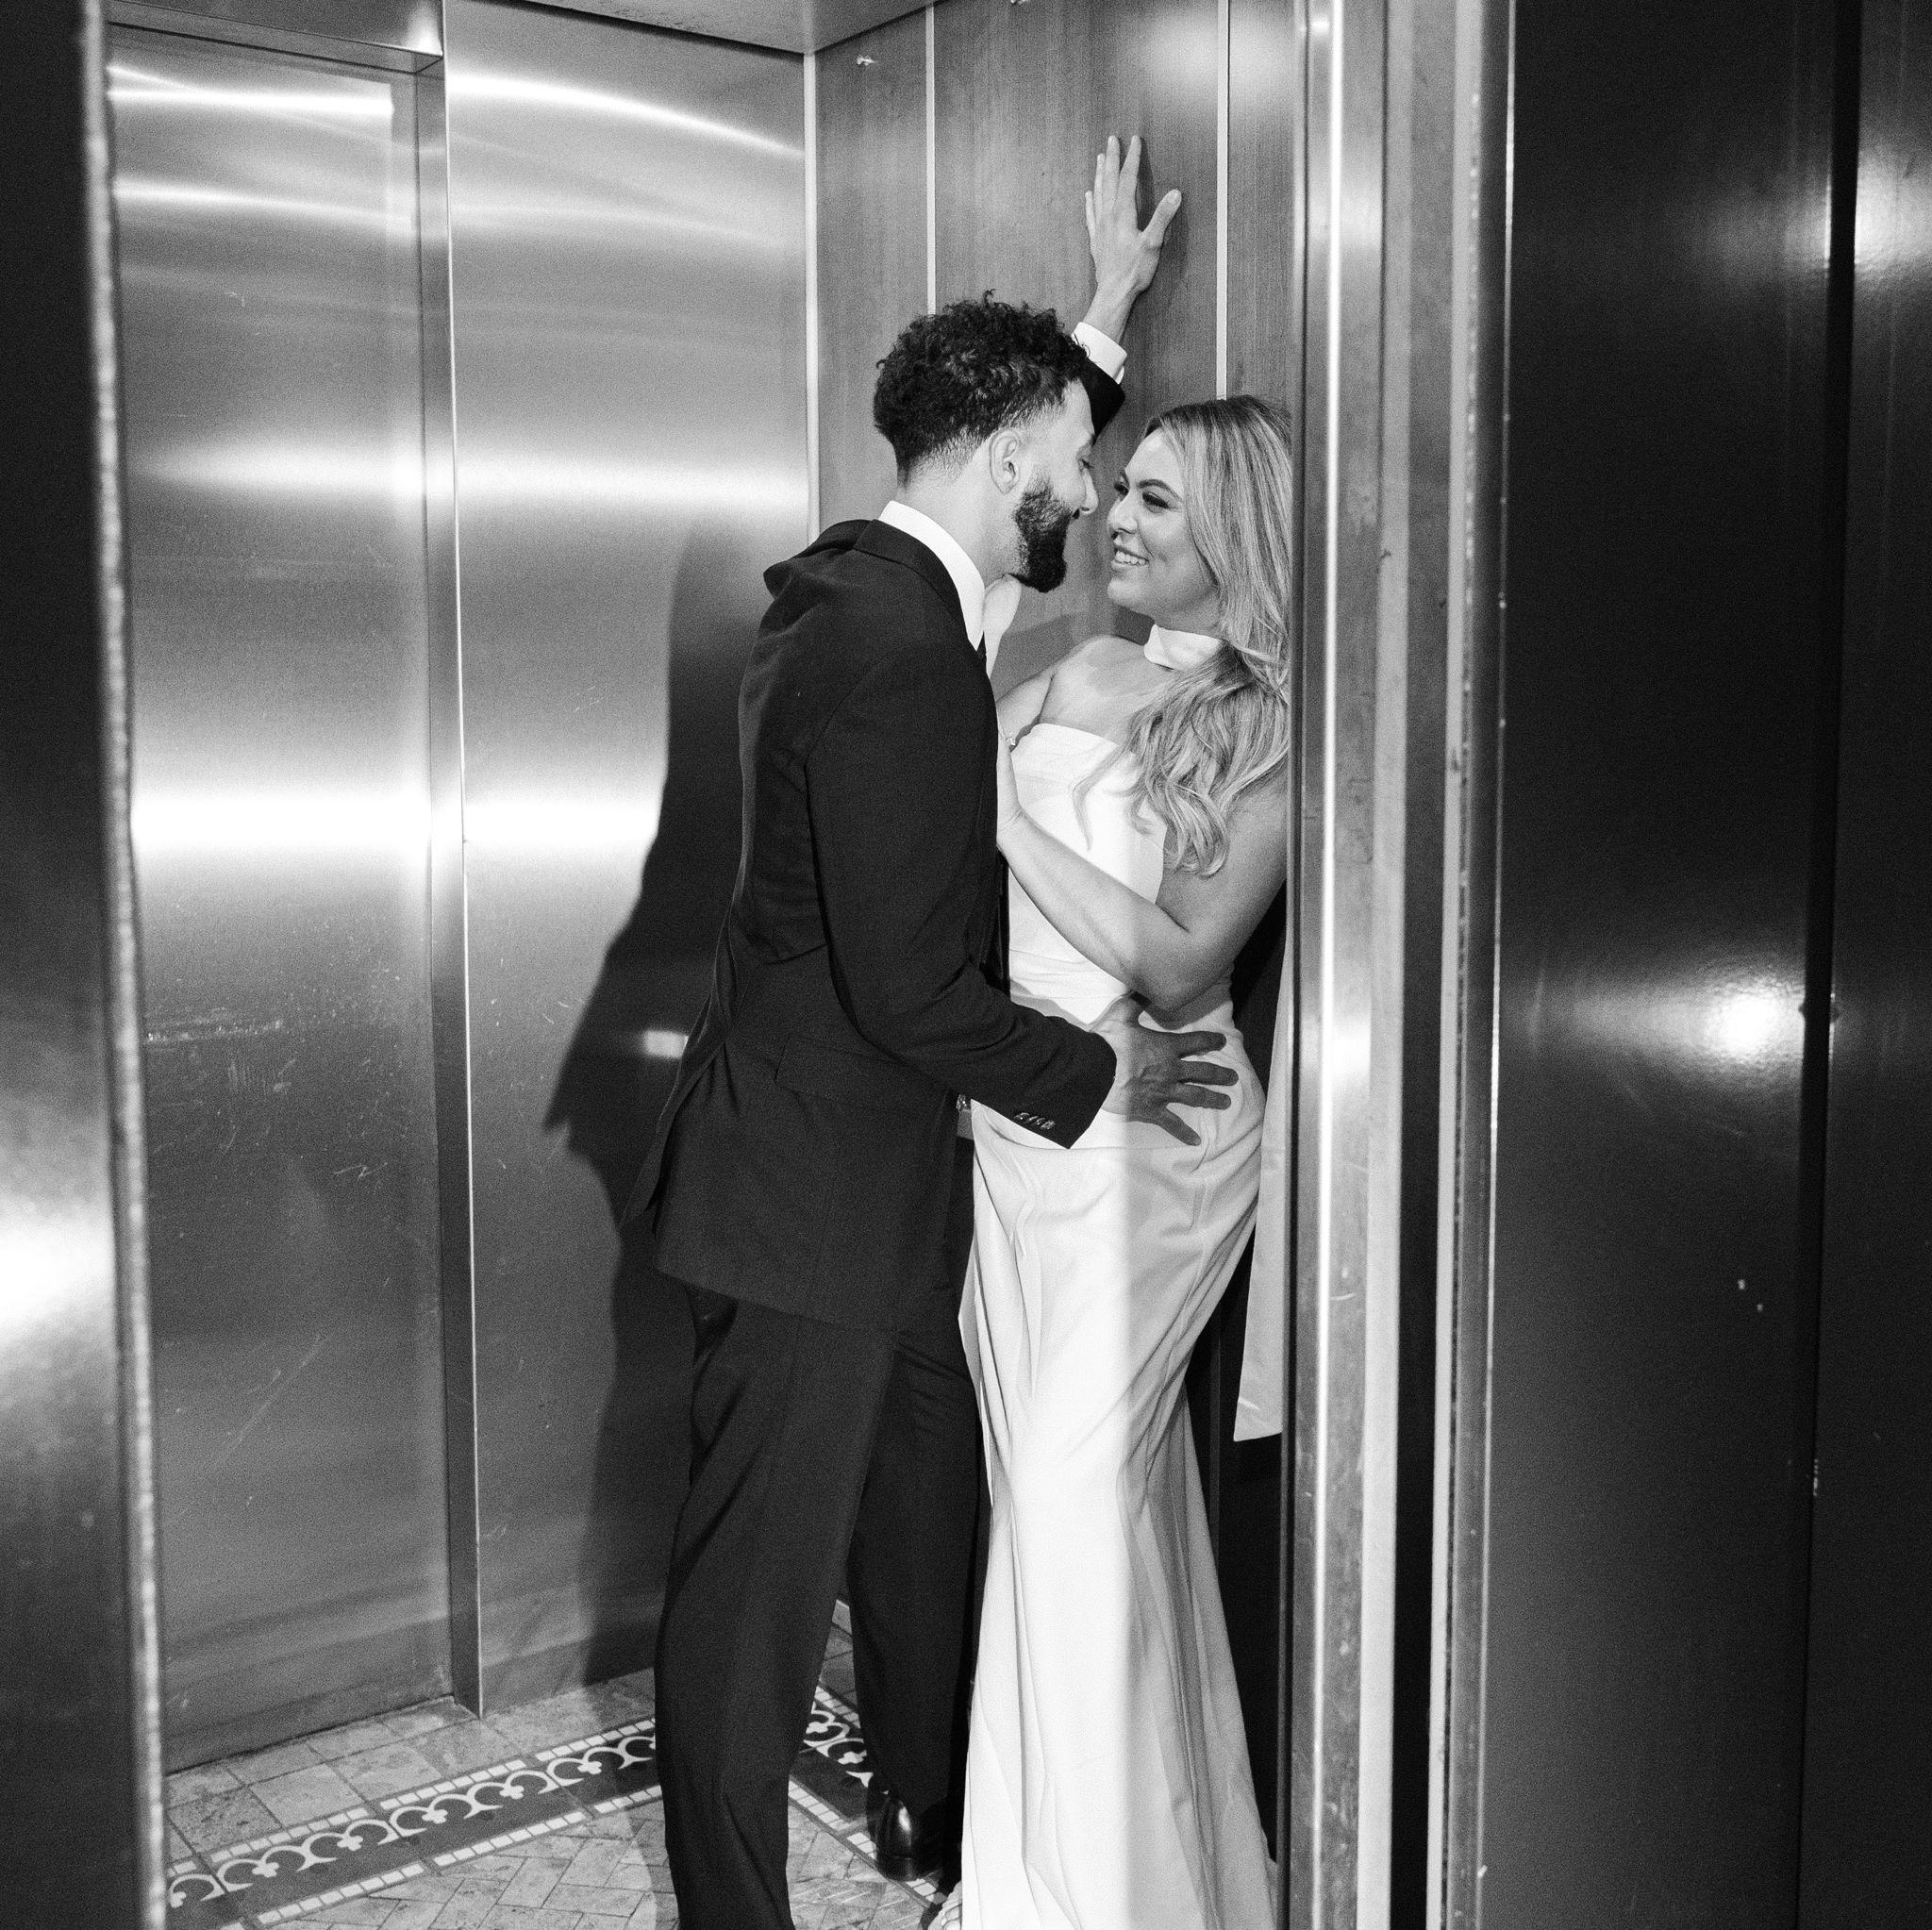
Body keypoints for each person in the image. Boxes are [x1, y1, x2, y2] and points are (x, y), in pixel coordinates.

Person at [624, 149, 1234, 1930]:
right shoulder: (898, 652)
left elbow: (1012, 475)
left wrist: (1097, 321)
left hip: (856, 1193)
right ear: (1000, 455)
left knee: (917, 1524)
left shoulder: (866, 588)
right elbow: (908, 990)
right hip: (807, 1209)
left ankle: (927, 1811)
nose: (1088, 494)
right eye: (1073, 462)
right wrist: (1108, 1074)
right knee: (752, 1605)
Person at [941, 394, 1296, 1929]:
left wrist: (1002, 824)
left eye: (1156, 499)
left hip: (1161, 1141)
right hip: (1021, 1126)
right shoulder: (1071, 666)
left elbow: (1177, 957)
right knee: (1083, 1506)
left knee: (1069, 1497)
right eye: (1122, 487)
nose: (1117, 520)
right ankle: (1147, 1880)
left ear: (1235, 528)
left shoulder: (1268, 723)